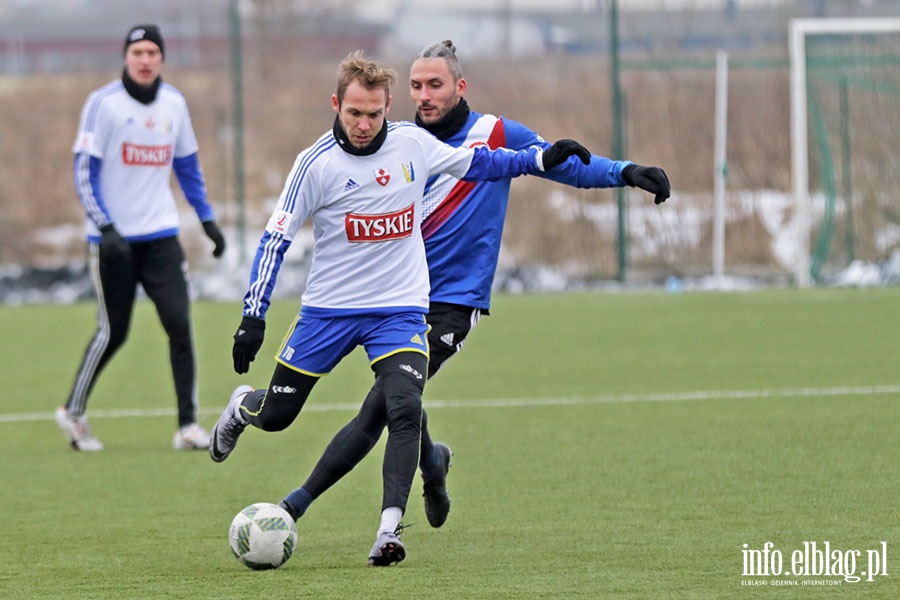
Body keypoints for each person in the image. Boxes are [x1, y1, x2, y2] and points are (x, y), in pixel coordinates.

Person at [269, 39, 673, 540]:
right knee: (401, 400)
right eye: (416, 86)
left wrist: (627, 172)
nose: (424, 95)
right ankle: (432, 461)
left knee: (380, 406)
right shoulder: (398, 141)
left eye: (435, 84)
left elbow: (562, 162)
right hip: (391, 299)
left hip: (453, 303)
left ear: (460, 86)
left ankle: (292, 507)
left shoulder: (496, 133)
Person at [208, 50, 590, 566]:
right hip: (329, 311)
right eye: (354, 113)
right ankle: (241, 407)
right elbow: (275, 241)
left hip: (400, 309)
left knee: (403, 406)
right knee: (277, 416)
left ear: (389, 106)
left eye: (374, 114)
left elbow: (479, 162)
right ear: (336, 104)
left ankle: (388, 531)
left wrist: (538, 159)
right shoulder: (314, 165)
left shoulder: (414, 143)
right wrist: (254, 315)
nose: (364, 125)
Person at [56, 24, 226, 452]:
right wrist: (105, 226)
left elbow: (187, 166)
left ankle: (188, 425)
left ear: (162, 58)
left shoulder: (174, 104)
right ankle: (72, 412)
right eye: (138, 52)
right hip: (112, 241)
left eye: (153, 51)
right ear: (126, 58)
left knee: (180, 326)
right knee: (114, 331)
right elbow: (83, 172)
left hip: (161, 236)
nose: (145, 59)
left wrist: (206, 220)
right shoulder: (104, 104)